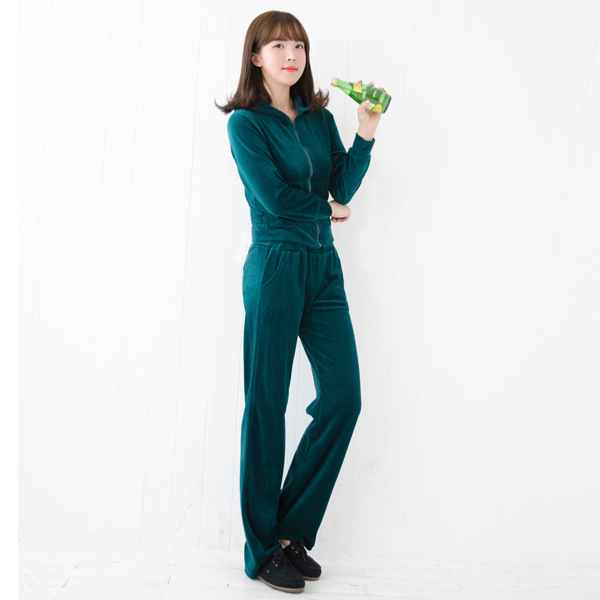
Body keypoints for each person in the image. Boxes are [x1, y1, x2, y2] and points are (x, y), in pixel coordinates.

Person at [215, 10, 385, 594]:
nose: (291, 56)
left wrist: (365, 134)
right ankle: (261, 551)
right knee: (266, 406)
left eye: (299, 47)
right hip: (276, 266)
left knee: (343, 398)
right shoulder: (245, 125)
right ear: (256, 57)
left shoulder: (318, 118)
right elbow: (274, 196)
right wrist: (327, 211)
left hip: (323, 270)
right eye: (278, 46)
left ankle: (289, 531)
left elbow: (341, 185)